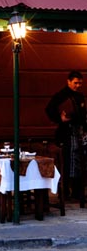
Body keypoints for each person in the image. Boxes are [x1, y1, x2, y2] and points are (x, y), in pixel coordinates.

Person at [45, 70, 87, 200]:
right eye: (75, 83)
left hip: (79, 132)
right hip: (67, 133)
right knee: (68, 163)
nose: (77, 85)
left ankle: (77, 191)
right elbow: (49, 109)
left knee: (80, 162)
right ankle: (65, 192)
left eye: (80, 83)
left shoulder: (80, 96)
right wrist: (60, 118)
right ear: (68, 81)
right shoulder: (61, 95)